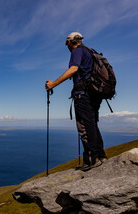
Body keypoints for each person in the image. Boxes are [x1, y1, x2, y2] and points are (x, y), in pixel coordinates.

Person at [45, 32, 107, 171]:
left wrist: (54, 84)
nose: (67, 46)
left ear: (70, 42)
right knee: (92, 123)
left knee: (85, 125)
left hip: (83, 94)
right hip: (94, 94)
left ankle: (92, 159)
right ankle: (100, 155)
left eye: (67, 43)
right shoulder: (90, 52)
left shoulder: (77, 51)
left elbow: (73, 69)